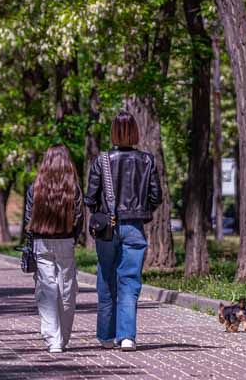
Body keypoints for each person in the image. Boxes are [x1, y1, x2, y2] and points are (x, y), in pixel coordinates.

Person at [84, 111, 162, 351]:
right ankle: (127, 337)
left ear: (113, 133)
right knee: (130, 281)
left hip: (107, 228)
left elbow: (90, 198)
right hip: (134, 227)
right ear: (135, 132)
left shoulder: (102, 160)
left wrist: (101, 210)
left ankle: (106, 337)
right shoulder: (147, 160)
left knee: (106, 278)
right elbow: (156, 196)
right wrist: (141, 210)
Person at [21, 145, 84, 354]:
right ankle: (63, 337)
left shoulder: (35, 187)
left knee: (47, 290)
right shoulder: (73, 188)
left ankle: (53, 339)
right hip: (65, 240)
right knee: (67, 289)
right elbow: (79, 218)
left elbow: (28, 218)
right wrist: (73, 238)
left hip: (41, 242)